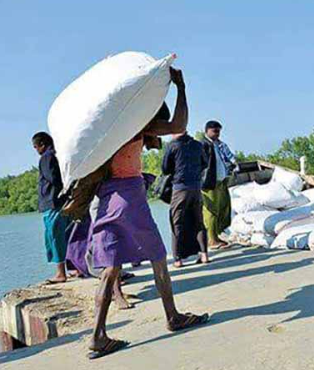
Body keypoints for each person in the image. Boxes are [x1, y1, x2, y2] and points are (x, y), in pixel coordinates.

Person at [86, 67, 208, 360]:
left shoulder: (107, 129)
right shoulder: (136, 125)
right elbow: (180, 122)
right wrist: (180, 86)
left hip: (106, 198)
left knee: (110, 268)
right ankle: (173, 316)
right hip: (129, 197)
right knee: (158, 258)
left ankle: (97, 336)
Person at [162, 131, 210, 267]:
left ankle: (178, 259)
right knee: (198, 221)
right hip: (196, 187)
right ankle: (204, 255)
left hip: (179, 188)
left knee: (176, 222)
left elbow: (165, 169)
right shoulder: (197, 145)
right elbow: (205, 163)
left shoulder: (173, 145)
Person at [32, 132, 71, 284]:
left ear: (42, 144)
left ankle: (61, 273)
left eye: (36, 147)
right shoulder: (57, 155)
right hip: (58, 202)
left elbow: (53, 179)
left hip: (53, 203)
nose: (36, 150)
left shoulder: (46, 157)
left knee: (54, 237)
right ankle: (71, 269)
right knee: (62, 235)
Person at [200, 120, 238, 249]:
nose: (217, 134)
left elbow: (228, 159)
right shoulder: (203, 145)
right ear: (207, 131)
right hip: (209, 183)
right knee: (211, 211)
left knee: (224, 207)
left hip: (221, 181)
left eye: (219, 131)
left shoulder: (219, 145)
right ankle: (211, 239)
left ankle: (216, 234)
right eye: (215, 131)